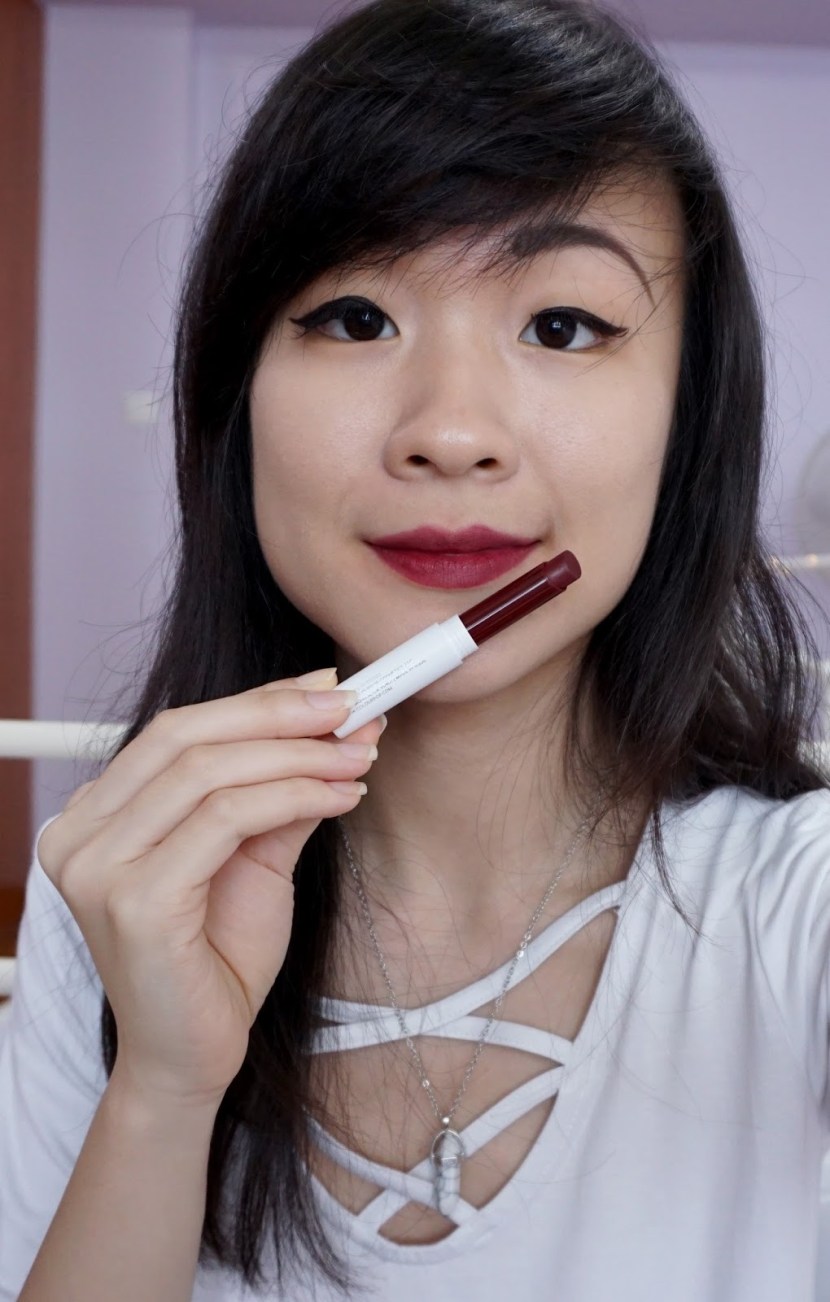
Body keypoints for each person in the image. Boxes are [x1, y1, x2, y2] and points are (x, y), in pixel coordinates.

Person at [1, 0, 829, 1297]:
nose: (450, 431)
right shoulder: (122, 890)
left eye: (561, 326)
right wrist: (162, 1090)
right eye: (353, 316)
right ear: (234, 399)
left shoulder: (796, 903)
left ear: (688, 421)